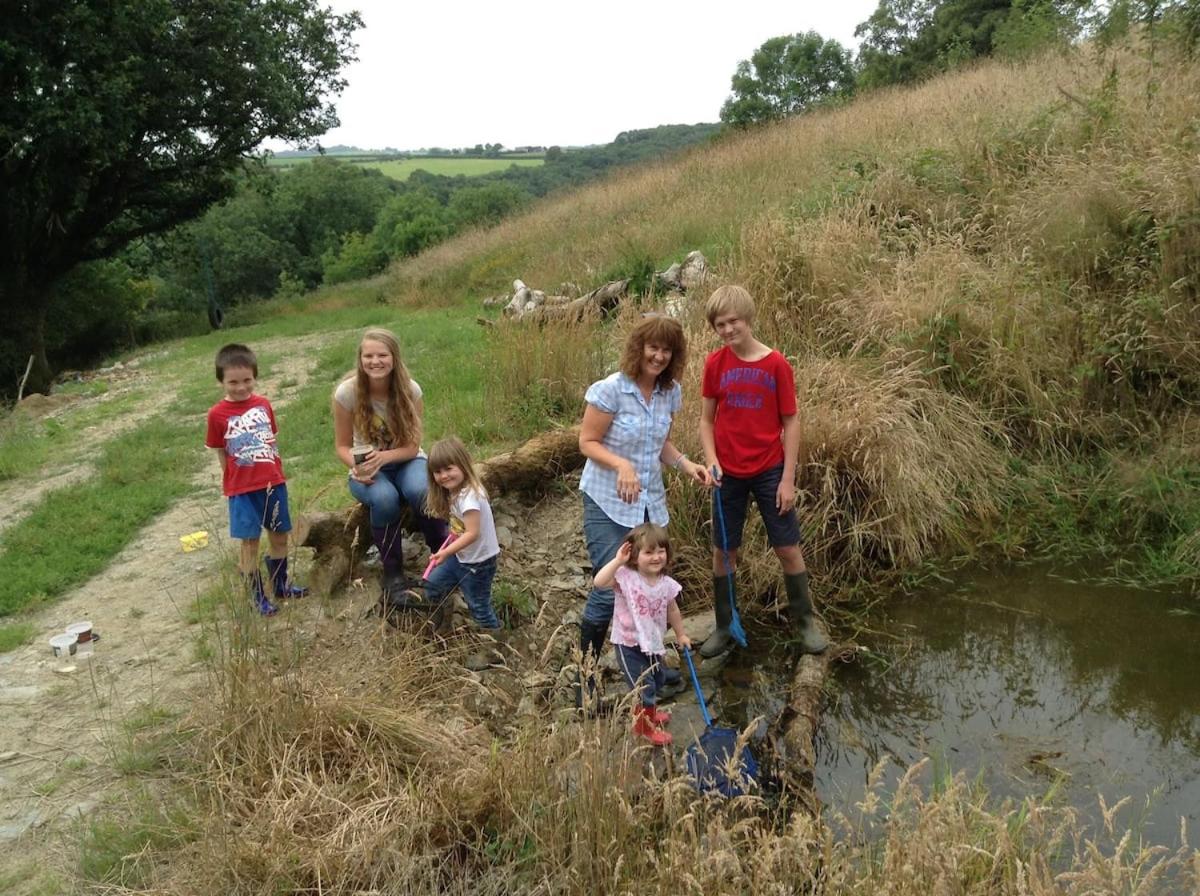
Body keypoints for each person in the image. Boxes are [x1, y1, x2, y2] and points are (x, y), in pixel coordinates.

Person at [577, 314, 710, 706]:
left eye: (667, 350)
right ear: (639, 348)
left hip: (650, 502)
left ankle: (648, 665)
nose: (659, 356)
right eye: (653, 347)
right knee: (610, 589)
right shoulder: (610, 391)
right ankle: (587, 679)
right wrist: (621, 465)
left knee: (651, 584)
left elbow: (660, 446)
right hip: (608, 503)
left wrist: (688, 465)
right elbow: (587, 441)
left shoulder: (671, 393)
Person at [698, 285, 828, 656]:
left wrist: (788, 478)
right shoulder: (715, 364)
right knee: (724, 551)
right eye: (719, 324)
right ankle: (725, 625)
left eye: (733, 321)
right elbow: (706, 421)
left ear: (749, 319)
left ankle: (804, 622)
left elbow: (791, 421)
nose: (727, 330)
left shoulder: (776, 365)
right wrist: (711, 459)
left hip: (770, 469)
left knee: (787, 547)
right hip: (727, 473)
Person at [333, 328, 448, 600]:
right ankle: (393, 571)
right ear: (360, 359)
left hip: (406, 459)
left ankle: (442, 552)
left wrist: (384, 457)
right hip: (368, 469)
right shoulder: (346, 394)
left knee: (420, 490)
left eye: (382, 355)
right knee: (385, 498)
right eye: (368, 356)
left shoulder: (411, 390)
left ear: (394, 358)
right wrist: (358, 466)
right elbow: (341, 445)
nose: (375, 361)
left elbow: (412, 445)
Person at [205, 343, 308, 616]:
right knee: (249, 541)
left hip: (273, 484)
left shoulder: (263, 404)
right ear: (221, 382)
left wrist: (274, 472)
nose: (241, 387)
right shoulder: (216, 415)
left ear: (255, 377)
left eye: (247, 380)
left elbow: (270, 439)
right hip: (242, 489)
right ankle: (257, 596)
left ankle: (281, 584)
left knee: (279, 535)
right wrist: (230, 481)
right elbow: (220, 451)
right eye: (233, 382)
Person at [594, 524, 692, 746]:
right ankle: (644, 728)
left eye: (661, 551)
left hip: (652, 642)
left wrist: (681, 635)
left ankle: (649, 713)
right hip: (628, 644)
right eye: (649, 552)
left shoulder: (666, 583)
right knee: (643, 688)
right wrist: (618, 560)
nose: (656, 557)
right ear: (635, 556)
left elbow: (673, 609)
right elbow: (599, 583)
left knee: (656, 680)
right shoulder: (626, 577)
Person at [422, 437, 502, 654]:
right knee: (432, 585)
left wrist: (445, 552)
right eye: (438, 472)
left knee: (479, 606)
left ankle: (492, 648)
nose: (444, 476)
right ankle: (444, 619)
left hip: (479, 563)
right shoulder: (454, 492)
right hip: (461, 557)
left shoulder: (470, 497)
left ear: (463, 465)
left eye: (449, 469)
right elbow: (459, 529)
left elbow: (473, 533)